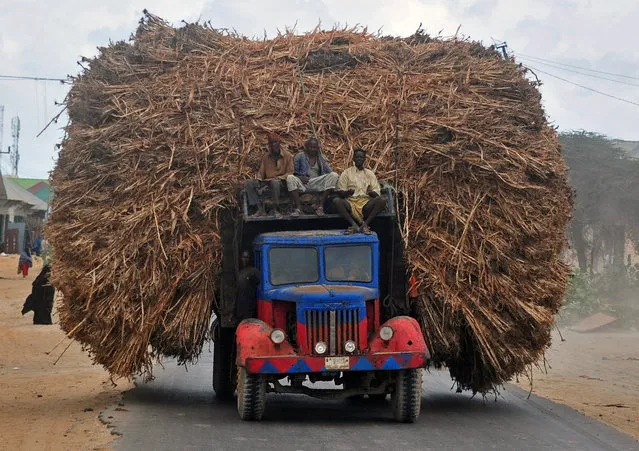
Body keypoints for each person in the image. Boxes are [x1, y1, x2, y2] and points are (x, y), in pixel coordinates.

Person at [332, 148, 387, 234]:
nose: (359, 159)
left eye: (361, 157)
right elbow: (341, 191)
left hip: (365, 203)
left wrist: (371, 192)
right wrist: (347, 193)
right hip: (351, 202)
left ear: (364, 159)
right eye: (357, 157)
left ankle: (364, 225)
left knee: (383, 200)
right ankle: (354, 225)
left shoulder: (370, 174)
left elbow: (377, 193)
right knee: (336, 201)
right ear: (353, 158)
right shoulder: (346, 173)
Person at [244, 133, 295, 218]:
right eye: (271, 143)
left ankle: (275, 209)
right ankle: (259, 209)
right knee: (248, 183)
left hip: (282, 182)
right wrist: (258, 179)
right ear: (269, 145)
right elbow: (261, 172)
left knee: (275, 182)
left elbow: (290, 172)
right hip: (268, 181)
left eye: (275, 142)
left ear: (279, 143)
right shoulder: (266, 157)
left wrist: (279, 178)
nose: (273, 145)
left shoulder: (287, 155)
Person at [286, 137, 339, 216]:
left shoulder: (321, 158)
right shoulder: (299, 156)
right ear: (306, 147)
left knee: (334, 175)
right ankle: (298, 208)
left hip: (317, 182)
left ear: (317, 148)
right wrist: (299, 177)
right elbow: (293, 172)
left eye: (314, 147)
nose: (312, 149)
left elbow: (329, 171)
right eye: (310, 147)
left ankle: (320, 207)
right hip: (303, 183)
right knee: (290, 178)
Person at [234, 251, 261, 323]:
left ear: (250, 259)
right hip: (240, 310)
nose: (245, 260)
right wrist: (234, 312)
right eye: (243, 257)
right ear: (241, 258)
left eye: (247, 257)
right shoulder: (240, 273)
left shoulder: (254, 272)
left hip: (249, 310)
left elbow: (259, 286)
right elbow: (237, 293)